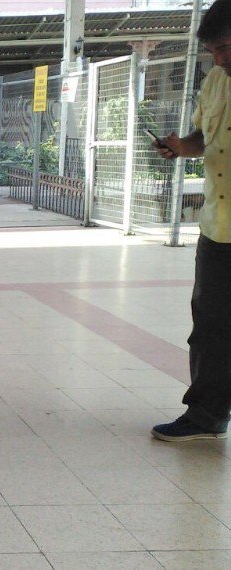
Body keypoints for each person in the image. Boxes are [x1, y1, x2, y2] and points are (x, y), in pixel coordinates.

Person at [150, 0, 231, 442]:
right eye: (213, 52)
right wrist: (181, 147)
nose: (219, 59)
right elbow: (204, 136)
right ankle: (206, 415)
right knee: (211, 326)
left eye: (225, 48)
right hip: (220, 226)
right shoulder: (217, 81)